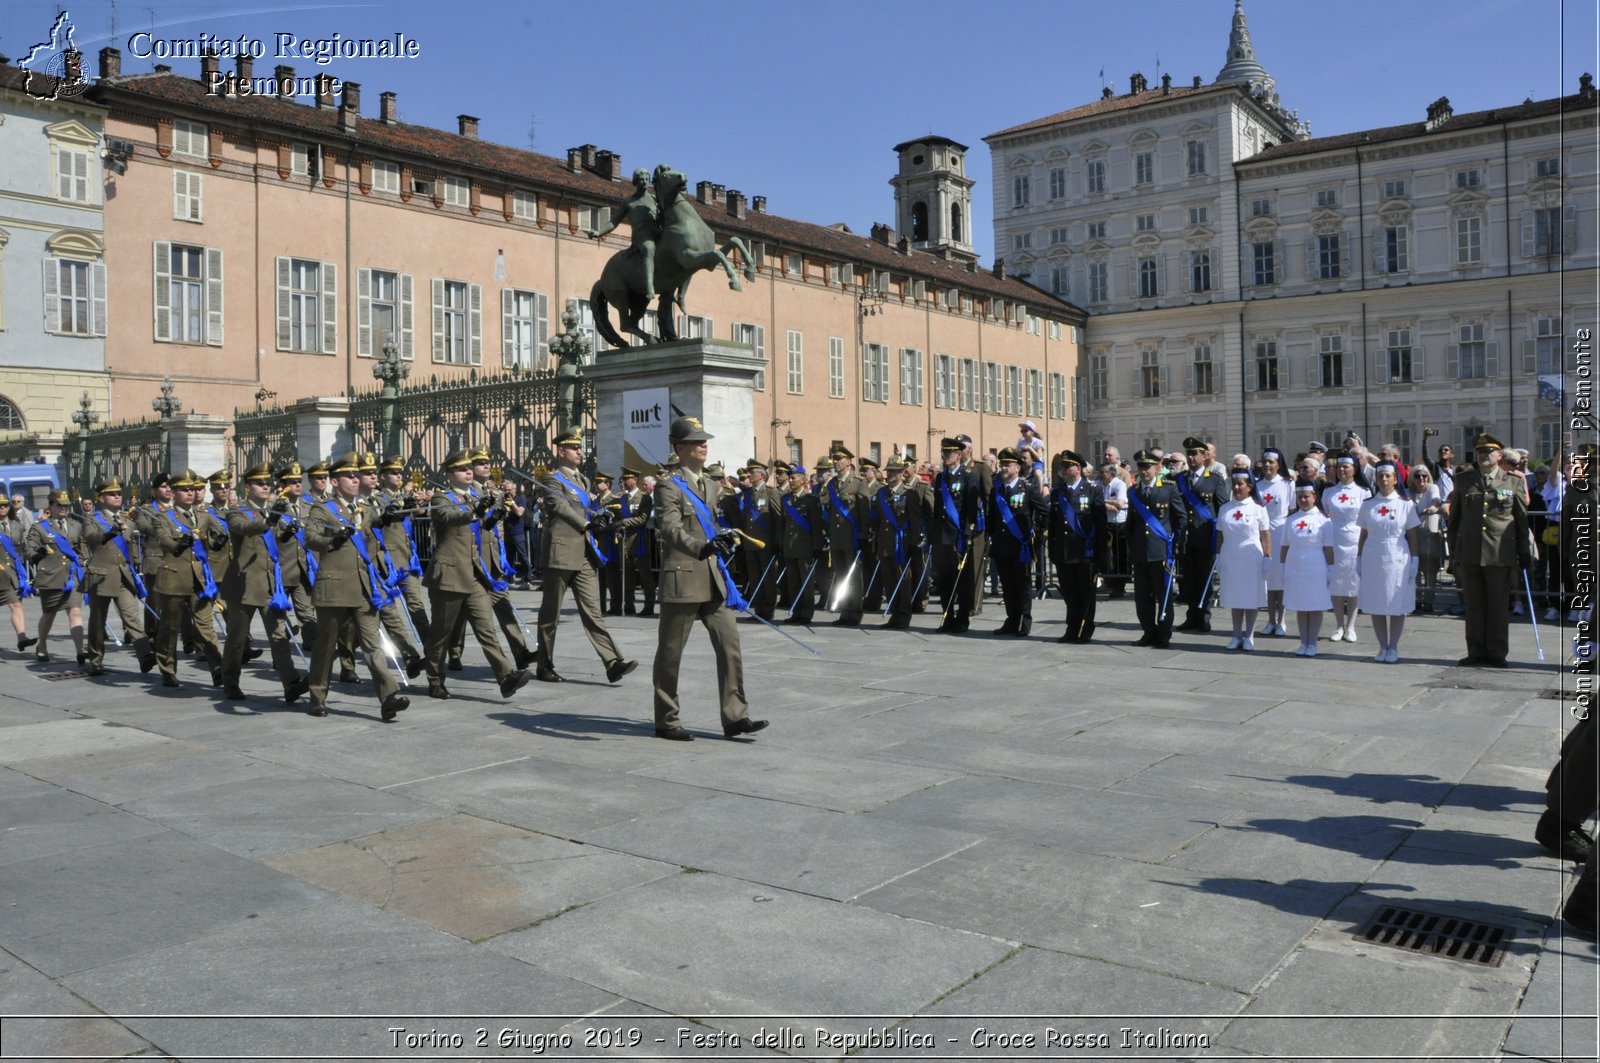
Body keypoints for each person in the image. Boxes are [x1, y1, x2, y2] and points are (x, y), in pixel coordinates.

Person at [651, 416, 765, 741]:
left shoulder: (710, 485)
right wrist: (701, 546)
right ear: (680, 447)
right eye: (696, 440)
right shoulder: (668, 485)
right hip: (683, 578)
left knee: (730, 645)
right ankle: (667, 720)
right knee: (671, 653)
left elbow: (708, 526)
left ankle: (735, 716)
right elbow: (670, 529)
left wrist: (723, 538)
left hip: (713, 578)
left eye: (704, 440)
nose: (704, 444)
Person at [301, 454, 409, 721]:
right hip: (335, 589)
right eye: (349, 476)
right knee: (326, 648)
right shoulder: (323, 509)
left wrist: (390, 516)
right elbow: (310, 538)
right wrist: (333, 539)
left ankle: (388, 697)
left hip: (363, 589)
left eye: (356, 475)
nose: (355, 479)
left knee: (373, 646)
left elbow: (377, 525)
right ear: (335, 482)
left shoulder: (365, 508)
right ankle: (317, 695)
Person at [424, 450, 533, 701]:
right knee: (441, 632)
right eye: (462, 469)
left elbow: (481, 527)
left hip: (475, 574)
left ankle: (505, 677)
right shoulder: (442, 498)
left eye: (469, 468)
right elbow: (452, 517)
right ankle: (435, 679)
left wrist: (493, 515)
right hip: (449, 575)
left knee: (486, 629)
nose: (468, 471)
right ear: (450, 474)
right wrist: (477, 509)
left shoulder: (476, 495)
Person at [534, 433, 636, 684]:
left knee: (593, 611)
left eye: (580, 448)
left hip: (584, 554)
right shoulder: (552, 479)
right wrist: (587, 523)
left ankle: (612, 662)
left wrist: (599, 517)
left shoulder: (584, 480)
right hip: (560, 552)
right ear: (561, 452)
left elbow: (584, 508)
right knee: (551, 614)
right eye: (574, 448)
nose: (580, 452)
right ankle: (544, 664)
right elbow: (559, 507)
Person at [217, 463, 310, 704]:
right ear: (247, 487)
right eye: (260, 483)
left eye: (268, 482)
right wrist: (272, 518)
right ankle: (230, 682)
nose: (266, 486)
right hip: (244, 584)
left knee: (279, 635)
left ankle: (290, 683)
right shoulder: (236, 511)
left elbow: (277, 539)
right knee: (238, 639)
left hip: (270, 584)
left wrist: (287, 532)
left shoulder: (273, 509)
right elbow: (247, 529)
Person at [1447, 433, 1532, 668]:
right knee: (1474, 606)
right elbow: (1454, 520)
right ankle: (1475, 650)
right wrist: (1453, 551)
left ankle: (1496, 652)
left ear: (1499, 455)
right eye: (1480, 452)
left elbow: (1521, 521)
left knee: (1497, 606)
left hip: (1499, 554)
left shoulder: (1513, 481)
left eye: (1489, 452)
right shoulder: (1465, 481)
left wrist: (1523, 551)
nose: (1484, 456)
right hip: (1470, 553)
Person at [148, 472, 227, 687]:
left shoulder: (203, 516)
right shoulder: (164, 517)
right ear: (173, 493)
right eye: (184, 489)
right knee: (170, 628)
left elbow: (212, 538)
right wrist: (179, 545)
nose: (190, 493)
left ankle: (219, 670)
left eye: (192, 489)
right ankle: (168, 668)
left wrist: (218, 542)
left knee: (206, 627)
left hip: (199, 581)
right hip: (173, 579)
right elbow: (164, 541)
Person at [81, 478, 158, 677]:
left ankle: (145, 656)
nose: (117, 497)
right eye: (112, 494)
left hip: (124, 576)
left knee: (132, 616)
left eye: (118, 494)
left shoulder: (126, 520)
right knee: (98, 622)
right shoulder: (92, 518)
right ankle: (96, 660)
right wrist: (107, 534)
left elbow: (131, 547)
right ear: (101, 498)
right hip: (101, 576)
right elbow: (91, 536)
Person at [1357, 462, 1421, 663]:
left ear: (1395, 479)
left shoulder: (1405, 504)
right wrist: (1358, 557)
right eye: (1380, 476)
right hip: (1373, 555)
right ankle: (1382, 646)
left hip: (1397, 556)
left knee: (1396, 603)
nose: (1384, 480)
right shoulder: (1368, 505)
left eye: (1388, 476)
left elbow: (1412, 535)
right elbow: (1363, 533)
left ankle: (1393, 646)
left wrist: (1415, 559)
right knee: (1376, 603)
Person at [1126, 449, 1187, 648]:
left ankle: (1163, 634)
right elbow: (1131, 523)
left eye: (1148, 467)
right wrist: (1131, 547)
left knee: (1164, 595)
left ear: (1157, 467)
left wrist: (1175, 543)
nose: (1144, 471)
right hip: (1140, 552)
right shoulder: (1134, 492)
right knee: (1143, 598)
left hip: (1161, 551)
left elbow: (1181, 518)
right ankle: (1148, 632)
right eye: (1141, 467)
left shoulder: (1168, 488)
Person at [1048, 450, 1105, 644]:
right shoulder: (1058, 492)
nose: (1064, 470)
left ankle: (1085, 629)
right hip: (1064, 552)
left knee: (1085, 593)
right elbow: (1053, 524)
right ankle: (1071, 628)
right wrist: (1052, 550)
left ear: (1078, 469)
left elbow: (1100, 523)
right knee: (1069, 593)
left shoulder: (1092, 490)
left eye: (1067, 466)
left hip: (1084, 552)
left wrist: (1101, 554)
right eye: (1062, 466)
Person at [25, 489, 87, 664]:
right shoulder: (39, 527)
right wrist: (39, 553)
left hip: (72, 576)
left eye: (66, 505)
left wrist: (83, 560)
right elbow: (29, 551)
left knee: (74, 611)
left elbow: (83, 549)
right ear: (50, 506)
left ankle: (80, 650)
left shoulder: (76, 525)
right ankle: (42, 645)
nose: (64, 509)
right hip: (51, 577)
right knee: (49, 614)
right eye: (59, 505)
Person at [989, 448, 1045, 636]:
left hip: (1021, 547)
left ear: (1018, 468)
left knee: (1023, 586)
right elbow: (991, 518)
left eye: (1008, 464)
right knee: (1008, 586)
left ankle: (1024, 622)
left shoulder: (1027, 489)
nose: (1004, 467)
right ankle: (1011, 620)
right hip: (1002, 546)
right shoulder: (996, 490)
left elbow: (1045, 511)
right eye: (1002, 464)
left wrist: (1036, 534)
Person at [1176, 436, 1228, 633]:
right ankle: (1191, 616)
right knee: (1188, 580)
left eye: (1194, 454)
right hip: (1187, 538)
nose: (1191, 458)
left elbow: (1222, 508)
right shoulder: (1179, 479)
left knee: (1205, 580)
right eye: (1188, 454)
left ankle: (1204, 618)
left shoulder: (1214, 480)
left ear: (1204, 456)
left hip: (1206, 537)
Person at [1215, 470, 1270, 651]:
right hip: (1231, 555)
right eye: (1235, 484)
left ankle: (1249, 635)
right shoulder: (1225, 508)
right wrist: (1218, 556)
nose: (1237, 488)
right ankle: (1236, 634)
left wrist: (1268, 558)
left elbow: (1265, 535)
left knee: (1250, 597)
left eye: (1241, 484)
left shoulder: (1258, 508)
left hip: (1251, 556)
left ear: (1250, 487)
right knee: (1235, 596)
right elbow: (1220, 535)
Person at [931, 437, 981, 633]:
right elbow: (937, 509)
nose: (946, 456)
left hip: (959, 536)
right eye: (944, 453)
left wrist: (969, 533)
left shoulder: (968, 476)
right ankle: (947, 616)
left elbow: (971, 509)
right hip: (942, 536)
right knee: (944, 579)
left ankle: (962, 619)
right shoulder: (940, 478)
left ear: (959, 456)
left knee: (963, 579)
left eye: (950, 453)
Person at [1281, 480, 1335, 656]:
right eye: (1300, 497)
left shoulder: (1323, 520)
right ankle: (1303, 641)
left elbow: (1328, 547)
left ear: (1314, 497)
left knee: (1314, 605)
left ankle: (1313, 642)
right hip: (1295, 565)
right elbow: (1284, 545)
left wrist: (1331, 569)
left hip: (1315, 565)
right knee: (1301, 605)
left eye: (1306, 497)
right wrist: (1283, 568)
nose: (1303, 500)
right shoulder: (1290, 520)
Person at [1320, 455, 1369, 640]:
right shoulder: (1328, 492)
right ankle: (1339, 625)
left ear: (1354, 469)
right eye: (1339, 466)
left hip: (1354, 539)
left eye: (1346, 466)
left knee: (1353, 584)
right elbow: (1325, 515)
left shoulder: (1363, 492)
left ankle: (1351, 626)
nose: (1341, 470)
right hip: (1334, 538)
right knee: (1336, 584)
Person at [1255, 449, 1293, 636]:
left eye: (1271, 462)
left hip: (1281, 533)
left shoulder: (1287, 485)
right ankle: (1270, 620)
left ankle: (1282, 620)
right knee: (1268, 580)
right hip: (1261, 534)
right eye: (1265, 462)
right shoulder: (1256, 486)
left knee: (1281, 579)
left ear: (1279, 464)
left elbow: (1293, 511)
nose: (1267, 465)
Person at [0, 496, 37, 653]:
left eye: (5, 505)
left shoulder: (17, 525)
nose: (2, 508)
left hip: (12, 572)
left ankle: (22, 638)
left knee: (16, 604)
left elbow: (22, 548)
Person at [1410, 464, 1447, 614]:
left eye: (1424, 475)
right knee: (1416, 570)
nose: (1421, 478)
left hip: (1429, 533)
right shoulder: (1408, 492)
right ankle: (1418, 599)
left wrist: (1433, 507)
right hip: (1413, 536)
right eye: (1417, 476)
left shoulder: (1433, 488)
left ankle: (1429, 601)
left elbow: (1435, 499)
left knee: (1430, 570)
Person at [1534, 459, 1565, 620]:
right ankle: (1554, 605)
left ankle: (1573, 605)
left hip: (1575, 528)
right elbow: (1553, 471)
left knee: (1571, 569)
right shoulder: (1557, 483)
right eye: (1568, 466)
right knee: (1555, 569)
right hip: (1556, 527)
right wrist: (1560, 450)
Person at [1100, 461, 1128, 598]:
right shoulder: (1098, 485)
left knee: (1119, 556)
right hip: (1105, 523)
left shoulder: (1119, 484)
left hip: (1119, 524)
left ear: (1111, 473)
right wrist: (1105, 504)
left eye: (1103, 472)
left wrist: (1102, 501)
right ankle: (1107, 581)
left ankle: (1119, 586)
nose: (1100, 475)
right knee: (1105, 556)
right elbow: (1094, 499)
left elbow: (1120, 503)